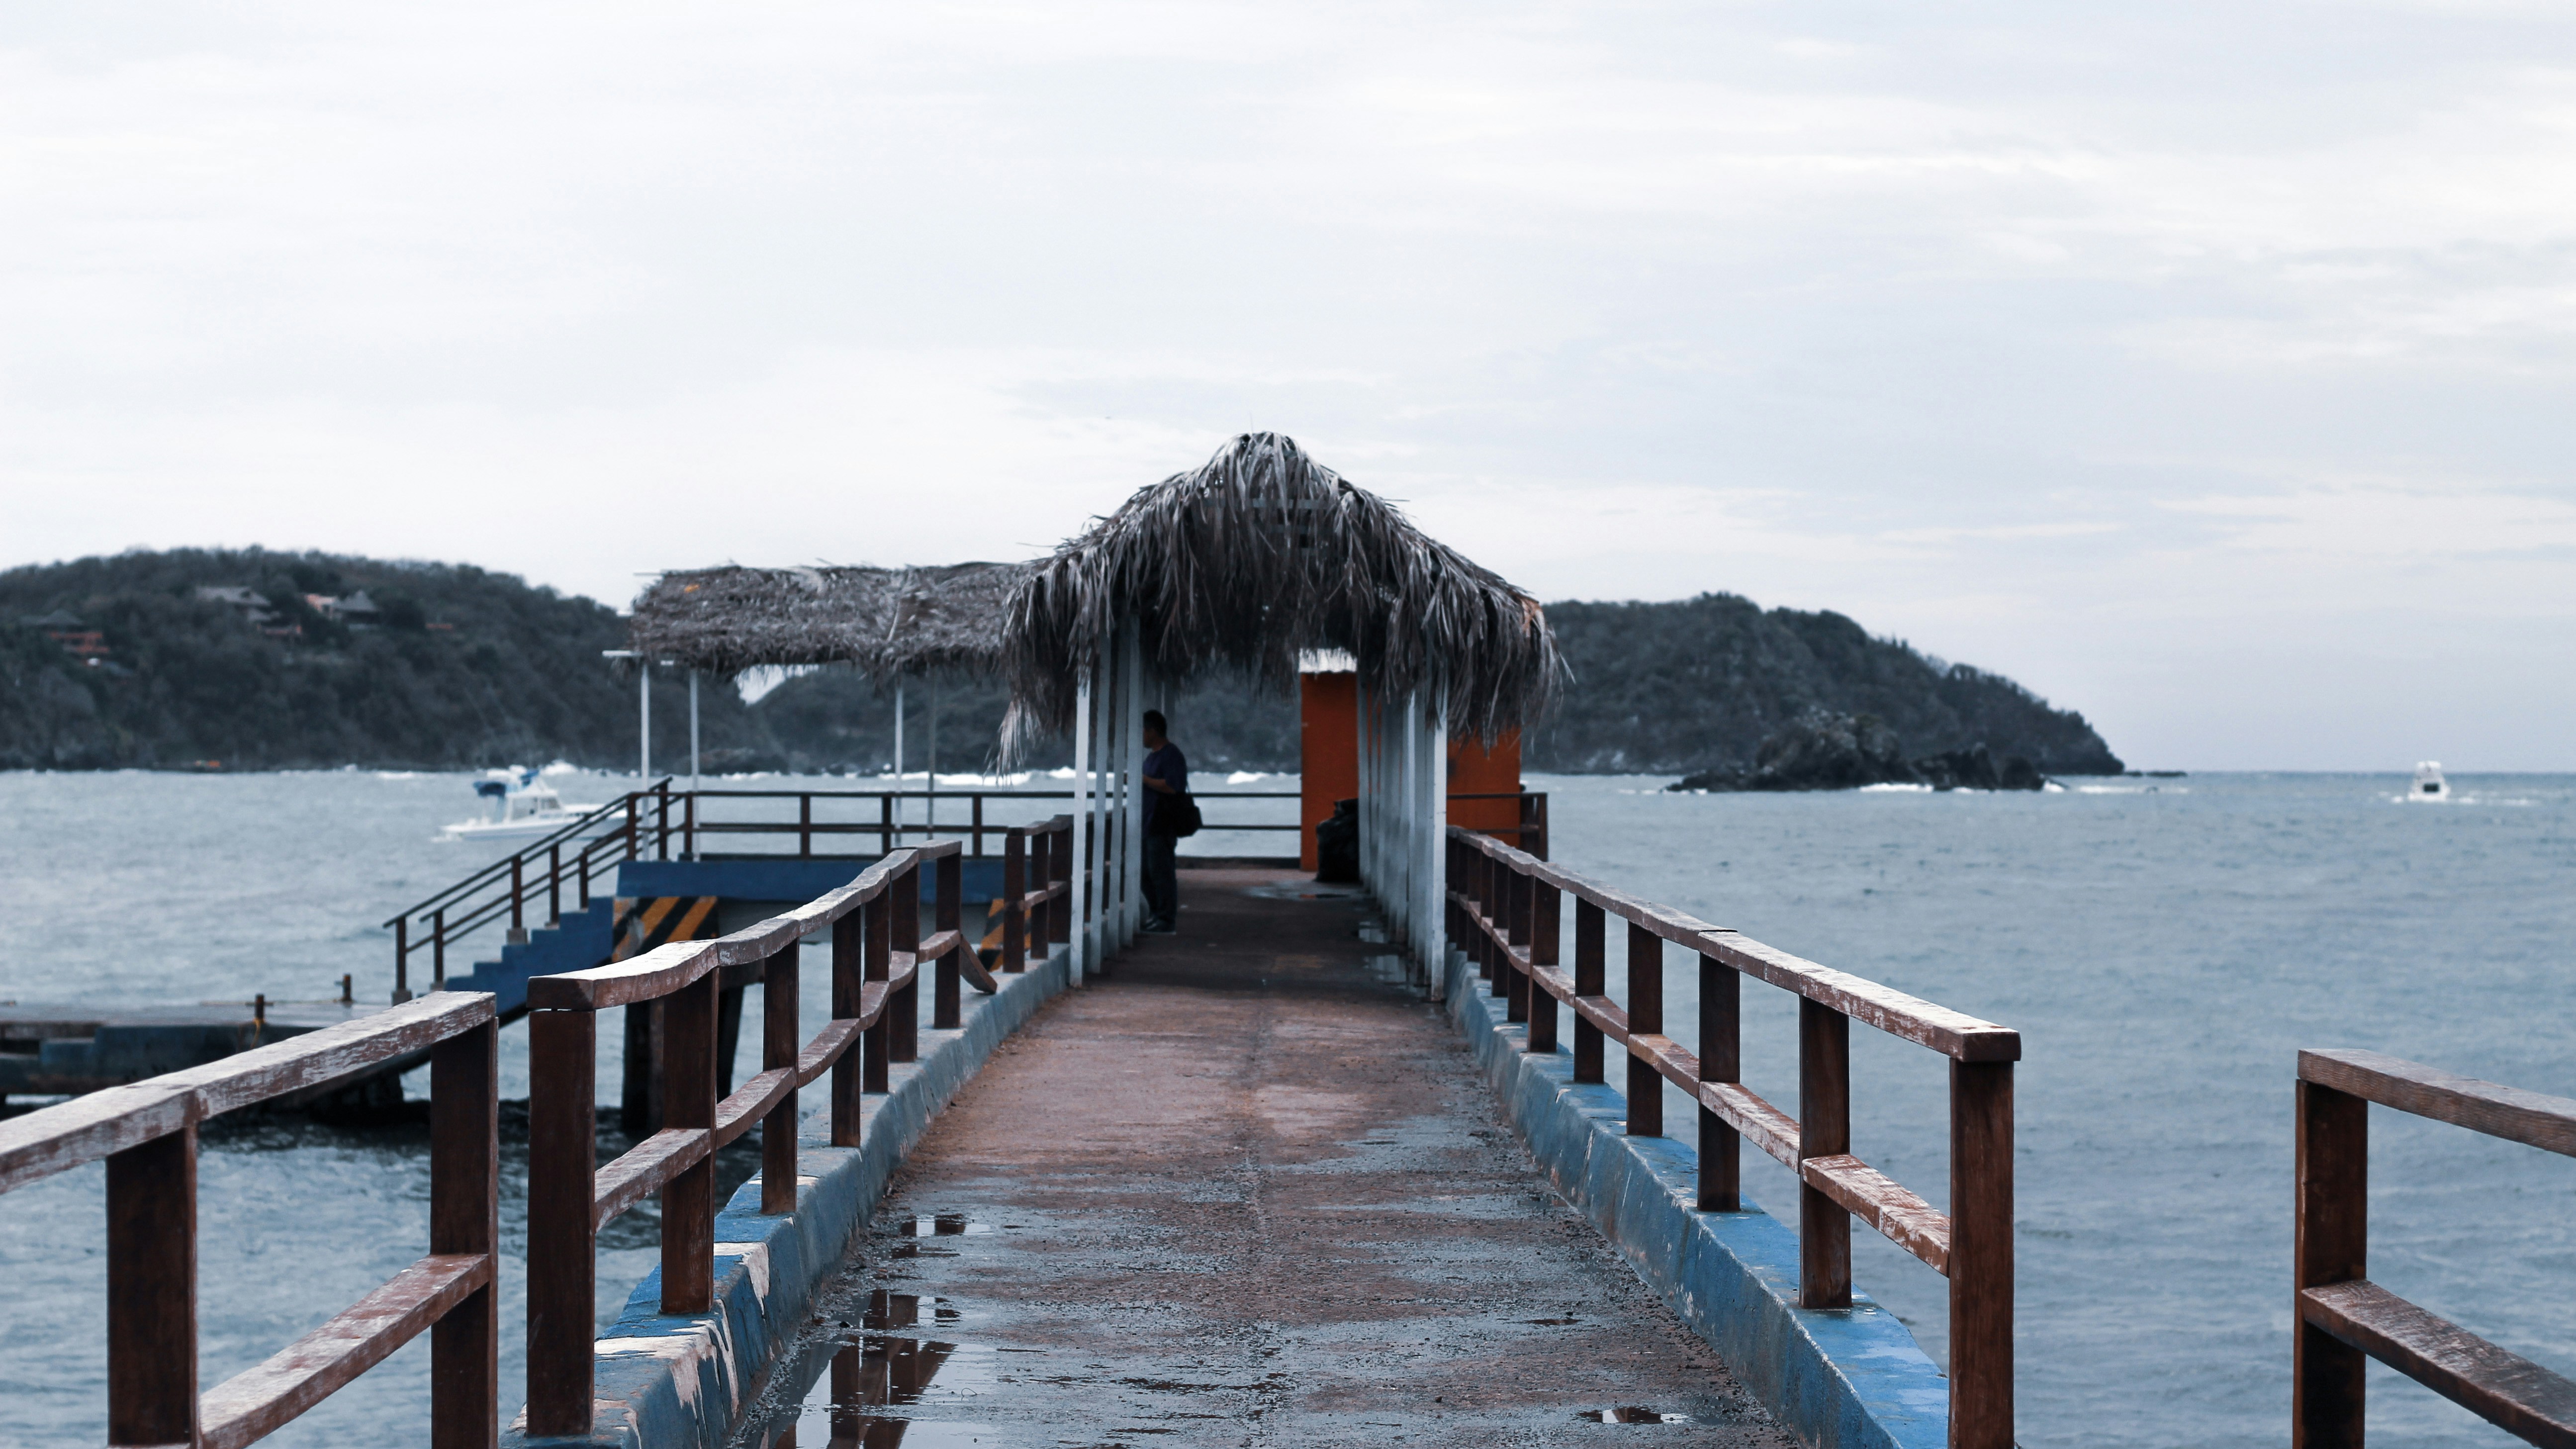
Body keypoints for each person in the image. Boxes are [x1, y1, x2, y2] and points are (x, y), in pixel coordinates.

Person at [1139, 710, 1187, 933]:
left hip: (1163, 822)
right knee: (1145, 872)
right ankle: (1156, 913)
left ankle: (1166, 919)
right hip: (1148, 822)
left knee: (1161, 872)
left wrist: (1145, 780)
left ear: (1152, 731)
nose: (1141, 737)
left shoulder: (1171, 755)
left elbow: (1173, 786)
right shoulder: (1151, 757)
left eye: (1143, 731)